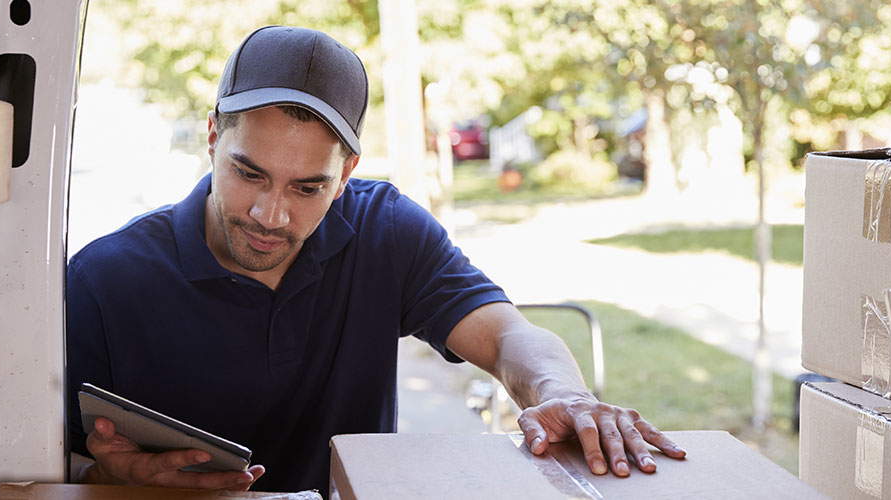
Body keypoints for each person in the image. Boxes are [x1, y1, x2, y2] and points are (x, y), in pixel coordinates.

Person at [66, 25, 685, 492]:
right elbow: (50, 469)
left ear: (346, 176)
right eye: (248, 173)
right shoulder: (103, 279)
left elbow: (506, 336)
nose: (271, 215)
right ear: (211, 136)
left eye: (307, 187)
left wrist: (564, 395)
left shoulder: (384, 228)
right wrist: (109, 482)